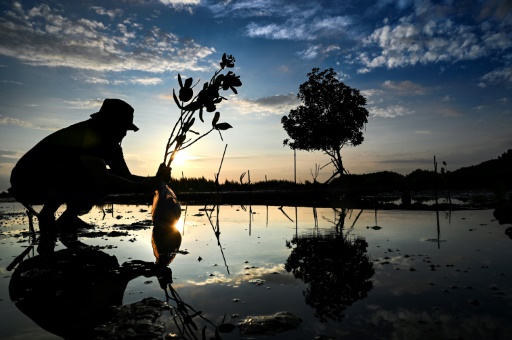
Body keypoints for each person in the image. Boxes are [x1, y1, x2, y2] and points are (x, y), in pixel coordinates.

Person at [10, 98, 168, 234]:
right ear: (109, 123)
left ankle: (68, 218)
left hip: (52, 180)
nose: (124, 133)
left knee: (105, 176)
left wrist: (155, 180)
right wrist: (140, 187)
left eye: (126, 129)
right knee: (88, 170)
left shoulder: (112, 144)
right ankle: (47, 215)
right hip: (27, 182)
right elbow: (101, 178)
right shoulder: (90, 133)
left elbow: (124, 177)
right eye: (122, 127)